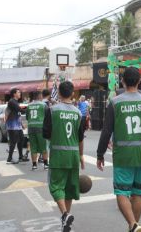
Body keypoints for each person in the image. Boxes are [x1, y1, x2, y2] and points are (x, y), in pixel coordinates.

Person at [97, 67, 141, 232]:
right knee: (138, 193)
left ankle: (132, 224)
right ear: (139, 82)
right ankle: (134, 226)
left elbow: (106, 131)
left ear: (122, 81)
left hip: (122, 154)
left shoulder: (115, 102)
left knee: (122, 192)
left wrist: (100, 154)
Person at [43, 81, 85, 232]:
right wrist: (81, 155)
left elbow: (46, 134)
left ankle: (65, 214)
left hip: (58, 155)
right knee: (68, 189)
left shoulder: (52, 110)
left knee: (55, 187)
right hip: (73, 155)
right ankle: (65, 221)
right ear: (73, 94)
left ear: (59, 93)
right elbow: (80, 138)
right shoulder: (79, 113)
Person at [27, 91, 49, 170]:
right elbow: (47, 117)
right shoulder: (44, 105)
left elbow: (27, 117)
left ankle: (34, 165)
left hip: (31, 128)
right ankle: (46, 164)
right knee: (44, 146)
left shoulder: (29, 106)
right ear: (40, 96)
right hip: (40, 127)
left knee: (33, 147)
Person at [6, 88, 29, 164]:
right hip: (12, 125)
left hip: (17, 125)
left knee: (21, 140)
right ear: (14, 94)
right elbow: (20, 110)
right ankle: (9, 158)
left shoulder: (16, 102)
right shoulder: (12, 101)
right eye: (18, 92)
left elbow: (18, 114)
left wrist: (21, 124)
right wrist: (30, 108)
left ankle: (21, 157)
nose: (20, 94)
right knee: (13, 141)